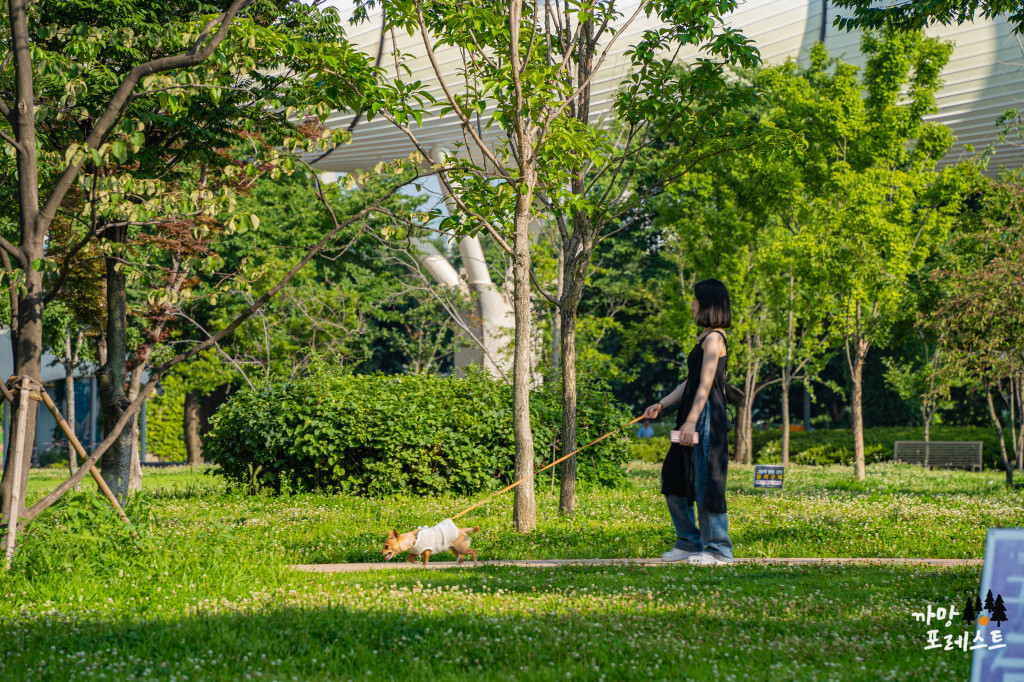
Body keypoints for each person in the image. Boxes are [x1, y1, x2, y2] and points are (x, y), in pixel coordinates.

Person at [642, 278, 734, 566]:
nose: (692, 304)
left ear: (708, 303)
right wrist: (661, 404)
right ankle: (689, 542)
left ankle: (719, 550)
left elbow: (706, 383)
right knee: (675, 477)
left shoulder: (715, 338)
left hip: (707, 418)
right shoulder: (704, 338)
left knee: (707, 482)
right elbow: (691, 381)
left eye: (695, 299)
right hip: (692, 417)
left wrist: (691, 421)